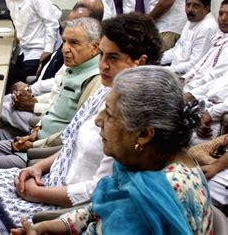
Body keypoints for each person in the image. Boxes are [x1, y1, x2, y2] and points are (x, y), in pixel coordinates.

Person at [0, 13, 162, 233]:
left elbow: (100, 190)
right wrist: (38, 167)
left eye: (112, 58)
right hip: (47, 181)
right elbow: (71, 143)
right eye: (102, 55)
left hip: (59, 206)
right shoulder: (106, 91)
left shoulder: (134, 114)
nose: (102, 65)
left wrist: (35, 193)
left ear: (139, 62)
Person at [11, 66, 212, 235]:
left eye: (109, 115)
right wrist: (52, 226)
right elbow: (97, 210)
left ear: (143, 134)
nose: (98, 121)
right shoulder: (148, 161)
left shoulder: (148, 200)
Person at [0, 17, 101, 169]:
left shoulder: (93, 78)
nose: (65, 48)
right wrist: (35, 131)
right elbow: (53, 106)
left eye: (74, 43)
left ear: (95, 48)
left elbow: (75, 132)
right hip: (36, 139)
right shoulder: (74, 68)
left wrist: (34, 144)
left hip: (42, 154)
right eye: (64, 41)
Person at [0, 0, 61, 91]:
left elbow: (52, 23)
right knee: (7, 76)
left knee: (11, 83)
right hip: (25, 49)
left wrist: (48, 50)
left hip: (41, 50)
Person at [161, 0, 218, 75]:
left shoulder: (207, 28)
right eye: (188, 5)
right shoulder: (192, 20)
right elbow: (177, 50)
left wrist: (166, 71)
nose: (190, 9)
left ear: (207, 8)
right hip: (174, 72)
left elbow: (195, 65)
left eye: (195, 6)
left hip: (187, 78)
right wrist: (156, 59)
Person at [183, 0, 228, 91]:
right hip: (192, 84)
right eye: (221, 14)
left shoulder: (208, 28)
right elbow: (199, 67)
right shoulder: (220, 37)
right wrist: (182, 80)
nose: (223, 18)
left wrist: (190, 92)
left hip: (203, 93)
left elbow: (214, 76)